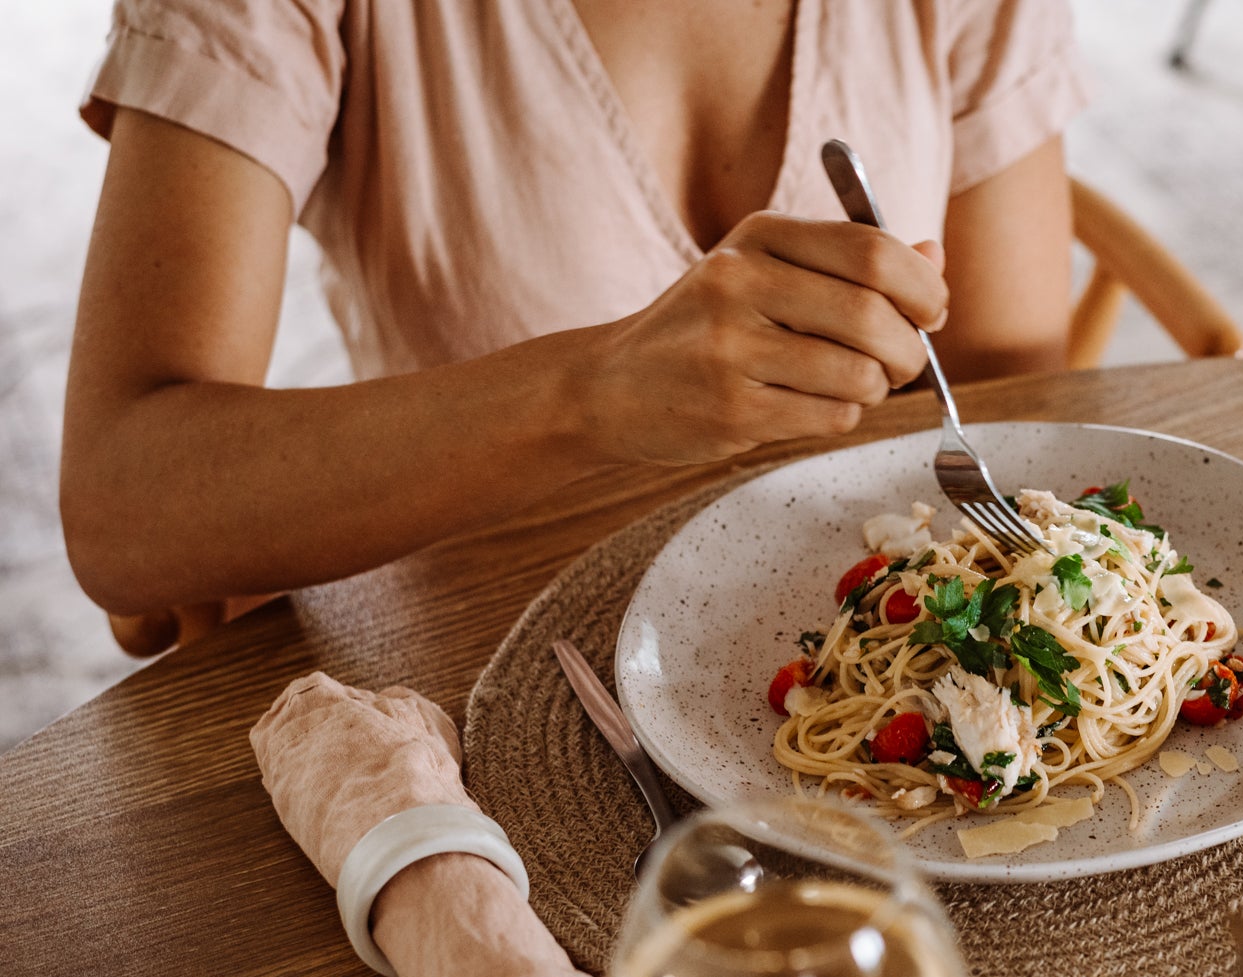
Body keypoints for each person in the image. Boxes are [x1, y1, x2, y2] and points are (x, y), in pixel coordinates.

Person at [61, 0, 1087, 621]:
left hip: (860, 648)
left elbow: (1009, 402)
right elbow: (122, 504)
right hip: (483, 662)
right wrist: (586, 394)